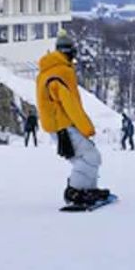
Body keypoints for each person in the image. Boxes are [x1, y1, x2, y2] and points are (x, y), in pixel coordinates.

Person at [36, 31, 110, 206]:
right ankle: (75, 192)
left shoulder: (49, 71)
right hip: (63, 125)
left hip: (58, 125)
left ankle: (87, 189)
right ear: (69, 52)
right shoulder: (60, 73)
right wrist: (86, 128)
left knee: (83, 157)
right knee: (90, 156)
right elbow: (70, 104)